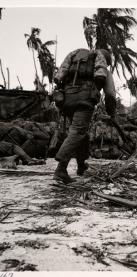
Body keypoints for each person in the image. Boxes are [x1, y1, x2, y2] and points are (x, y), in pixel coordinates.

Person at [53, 48, 116, 184]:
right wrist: (112, 113)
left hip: (67, 100)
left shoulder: (75, 59)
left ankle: (81, 165)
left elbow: (60, 78)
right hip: (84, 100)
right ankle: (61, 169)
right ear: (106, 60)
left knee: (81, 132)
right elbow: (110, 94)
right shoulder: (102, 69)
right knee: (77, 131)